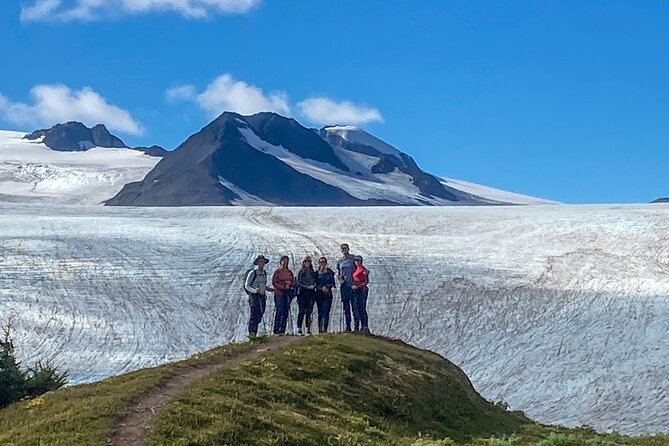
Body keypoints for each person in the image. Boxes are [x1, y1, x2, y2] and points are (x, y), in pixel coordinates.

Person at [244, 255, 273, 338]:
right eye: (260, 262)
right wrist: (254, 291)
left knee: (260, 313)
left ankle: (253, 333)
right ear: (257, 263)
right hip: (254, 297)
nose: (262, 263)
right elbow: (247, 285)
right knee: (254, 315)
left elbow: (263, 285)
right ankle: (252, 334)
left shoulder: (264, 273)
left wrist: (269, 289)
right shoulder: (253, 273)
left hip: (262, 296)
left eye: (263, 262)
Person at [336, 243, 359, 332]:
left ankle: (356, 326)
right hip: (344, 285)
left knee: (354, 306)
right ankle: (348, 326)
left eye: (345, 248)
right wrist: (339, 279)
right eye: (342, 249)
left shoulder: (353, 258)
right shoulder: (340, 261)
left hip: (352, 285)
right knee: (346, 307)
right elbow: (338, 273)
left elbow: (359, 268)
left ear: (348, 249)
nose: (344, 250)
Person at [272, 255, 295, 335]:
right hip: (279, 293)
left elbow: (293, 282)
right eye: (284, 261)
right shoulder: (277, 272)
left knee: (285, 311)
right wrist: (283, 286)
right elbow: (274, 282)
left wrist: (290, 284)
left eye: (286, 261)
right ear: (281, 262)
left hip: (287, 293)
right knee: (280, 310)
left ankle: (282, 329)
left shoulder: (289, 272)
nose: (285, 262)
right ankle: (276, 329)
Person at [296, 256, 317, 335]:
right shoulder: (301, 272)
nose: (307, 263)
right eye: (306, 261)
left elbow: (315, 280)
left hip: (311, 293)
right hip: (302, 292)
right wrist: (307, 286)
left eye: (309, 261)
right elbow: (298, 283)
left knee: (309, 311)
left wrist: (314, 284)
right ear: (303, 262)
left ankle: (308, 328)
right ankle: (299, 329)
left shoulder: (312, 272)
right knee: (301, 311)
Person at [315, 256, 336, 333]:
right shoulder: (316, 273)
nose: (322, 263)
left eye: (324, 262)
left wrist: (327, 287)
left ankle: (325, 329)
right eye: (321, 262)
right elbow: (315, 283)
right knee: (320, 312)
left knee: (326, 311)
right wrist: (320, 288)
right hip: (319, 294)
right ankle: (320, 328)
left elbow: (332, 283)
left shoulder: (329, 272)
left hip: (327, 294)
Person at [351, 257, 370, 333]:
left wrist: (358, 286)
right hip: (355, 290)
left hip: (362, 290)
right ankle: (357, 326)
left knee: (362, 308)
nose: (356, 262)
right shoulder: (355, 269)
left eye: (358, 260)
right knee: (356, 308)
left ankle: (364, 326)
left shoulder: (363, 269)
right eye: (355, 260)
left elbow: (365, 281)